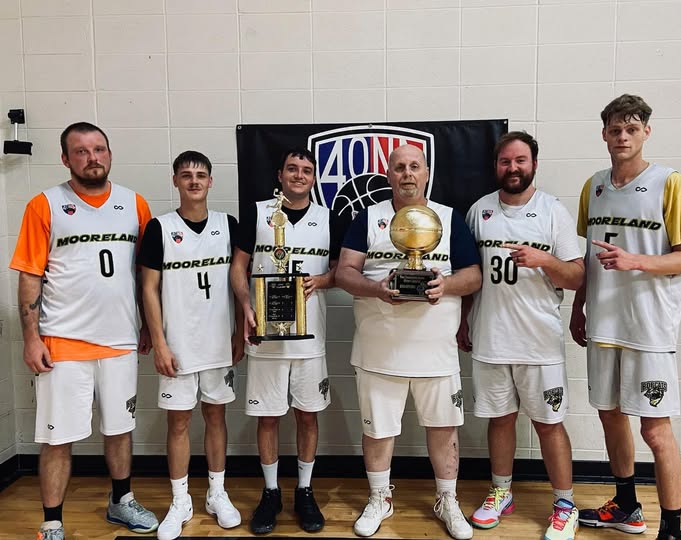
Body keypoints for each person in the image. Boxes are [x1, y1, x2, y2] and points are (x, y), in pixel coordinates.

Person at [9, 122, 159, 539]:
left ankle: (121, 501)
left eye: (99, 149)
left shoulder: (135, 204)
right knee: (58, 438)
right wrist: (31, 337)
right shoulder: (45, 205)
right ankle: (52, 522)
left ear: (109, 154)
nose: (92, 158)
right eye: (81, 151)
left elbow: (145, 275)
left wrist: (148, 325)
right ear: (65, 159)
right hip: (62, 342)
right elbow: (29, 275)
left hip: (120, 340)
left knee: (120, 429)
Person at [335, 144, 482, 540]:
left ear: (426, 172)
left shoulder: (448, 218)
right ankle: (379, 498)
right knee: (378, 430)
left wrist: (445, 285)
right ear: (389, 175)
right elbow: (345, 272)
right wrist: (377, 289)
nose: (407, 174)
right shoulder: (369, 217)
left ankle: (447, 499)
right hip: (379, 350)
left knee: (443, 427)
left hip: (436, 351)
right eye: (399, 167)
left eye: (414, 166)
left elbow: (473, 275)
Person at [569, 94, 681, 540]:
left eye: (632, 129)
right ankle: (626, 506)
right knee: (610, 415)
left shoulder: (668, 182)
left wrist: (635, 261)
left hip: (648, 326)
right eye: (615, 129)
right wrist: (579, 305)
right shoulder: (594, 186)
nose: (623, 136)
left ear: (646, 132)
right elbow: (588, 256)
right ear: (604, 134)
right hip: (604, 322)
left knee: (656, 431)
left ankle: (673, 529)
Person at [458, 132, 584, 540]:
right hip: (491, 337)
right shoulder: (479, 211)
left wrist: (545, 260)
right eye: (505, 161)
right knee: (500, 420)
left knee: (549, 424)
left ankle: (565, 504)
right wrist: (463, 320)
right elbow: (469, 273)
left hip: (538, 342)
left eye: (520, 161)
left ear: (534, 164)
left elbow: (577, 275)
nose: (512, 168)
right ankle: (501, 492)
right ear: (496, 166)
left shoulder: (552, 211)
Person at [230, 147, 336, 534]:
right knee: (268, 416)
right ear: (280, 175)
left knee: (307, 414)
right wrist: (246, 305)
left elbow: (343, 269)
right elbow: (238, 267)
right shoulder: (258, 213)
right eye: (292, 169)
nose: (298, 175)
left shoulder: (328, 218)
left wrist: (321, 280)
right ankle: (271, 491)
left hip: (310, 337)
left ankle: (304, 490)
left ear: (313, 178)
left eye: (306, 170)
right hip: (266, 336)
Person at [138, 151, 242, 539]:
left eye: (201, 175)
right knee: (179, 421)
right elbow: (149, 288)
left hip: (218, 342)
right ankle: (180, 500)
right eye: (186, 175)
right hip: (178, 344)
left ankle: (217, 493)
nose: (194, 181)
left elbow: (238, 283)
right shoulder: (159, 228)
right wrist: (160, 343)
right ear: (175, 181)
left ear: (211, 181)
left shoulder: (228, 225)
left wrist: (238, 333)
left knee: (216, 415)